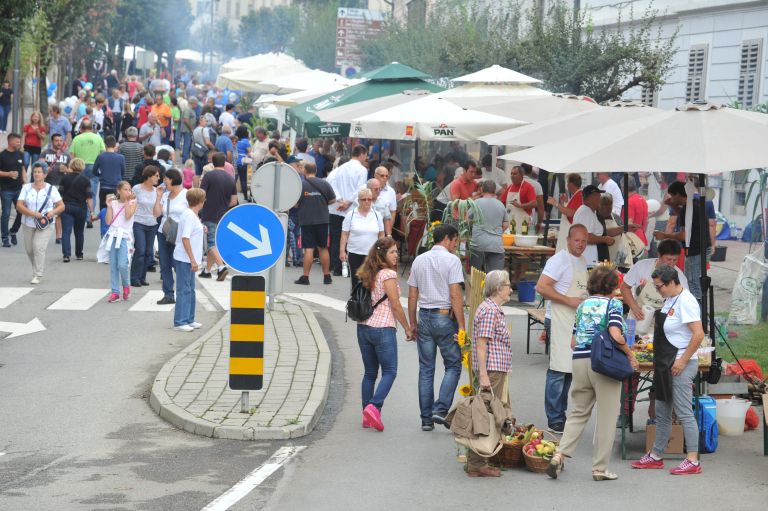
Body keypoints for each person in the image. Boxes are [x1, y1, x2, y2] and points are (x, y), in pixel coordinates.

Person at [546, 266, 638, 481]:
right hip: (604, 363)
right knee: (607, 416)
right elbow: (615, 334)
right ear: (612, 286)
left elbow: (573, 341)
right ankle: (600, 468)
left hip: (580, 360)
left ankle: (559, 455)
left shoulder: (582, 306)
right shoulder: (613, 305)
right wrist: (629, 354)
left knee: (578, 412)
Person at [631, 264, 705, 475]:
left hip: (680, 363)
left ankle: (693, 460)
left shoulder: (687, 300)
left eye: (659, 286)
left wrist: (682, 360)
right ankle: (656, 455)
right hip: (665, 363)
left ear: (672, 282)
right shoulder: (670, 298)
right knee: (662, 411)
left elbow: (698, 334)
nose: (657, 290)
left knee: (683, 412)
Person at [407, 224, 465, 431]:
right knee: (453, 365)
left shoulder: (419, 260)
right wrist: (461, 325)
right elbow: (455, 294)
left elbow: (412, 295)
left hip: (424, 316)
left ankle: (426, 419)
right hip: (444, 316)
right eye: (455, 241)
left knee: (426, 368)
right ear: (447, 239)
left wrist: (412, 323)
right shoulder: (452, 260)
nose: (455, 245)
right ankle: (440, 409)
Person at [355, 237, 413, 432]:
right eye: (392, 252)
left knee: (370, 373)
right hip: (382, 328)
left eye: (397, 251)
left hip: (363, 327)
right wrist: (407, 327)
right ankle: (374, 406)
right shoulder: (388, 274)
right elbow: (395, 305)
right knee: (390, 371)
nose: (397, 255)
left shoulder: (368, 271)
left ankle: (366, 416)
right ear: (382, 254)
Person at [535, 224, 589, 433]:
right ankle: (554, 417)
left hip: (574, 321)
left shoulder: (582, 260)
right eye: (577, 240)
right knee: (558, 369)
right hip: (558, 319)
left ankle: (561, 413)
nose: (580, 245)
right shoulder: (559, 260)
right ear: (568, 240)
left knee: (569, 369)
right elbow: (541, 287)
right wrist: (568, 300)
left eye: (584, 241)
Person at [466, 269, 515, 477]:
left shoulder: (492, 309)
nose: (511, 289)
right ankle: (477, 463)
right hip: (492, 370)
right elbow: (481, 344)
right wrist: (484, 374)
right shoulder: (490, 311)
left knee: (494, 412)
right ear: (498, 288)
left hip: (496, 369)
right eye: (508, 286)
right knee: (486, 414)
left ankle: (482, 458)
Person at [653, 181, 712, 301]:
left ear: (678, 194)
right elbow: (685, 217)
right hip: (702, 248)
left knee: (693, 282)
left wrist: (664, 235)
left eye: (672, 196)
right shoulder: (692, 204)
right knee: (694, 280)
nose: (671, 198)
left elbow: (684, 235)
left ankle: (697, 307)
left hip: (696, 250)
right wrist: (672, 205)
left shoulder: (688, 208)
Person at [15, 162, 65, 284]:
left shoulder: (51, 189)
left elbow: (61, 206)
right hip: (28, 223)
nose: (36, 174)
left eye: (39, 172)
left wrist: (52, 212)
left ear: (45, 174)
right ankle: (36, 268)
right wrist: (32, 214)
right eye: (35, 172)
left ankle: (37, 274)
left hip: (45, 223)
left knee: (38, 247)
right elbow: (19, 205)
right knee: (29, 249)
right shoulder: (26, 188)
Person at [327, 144, 369, 276]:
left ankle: (337, 268)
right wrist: (348, 202)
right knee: (350, 239)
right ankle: (350, 268)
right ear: (362, 154)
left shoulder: (340, 168)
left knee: (336, 239)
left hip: (338, 208)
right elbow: (360, 189)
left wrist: (341, 200)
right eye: (365, 155)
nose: (366, 158)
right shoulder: (362, 170)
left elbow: (333, 185)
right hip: (351, 209)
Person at [295, 163, 336, 286]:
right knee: (323, 248)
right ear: (316, 171)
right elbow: (333, 199)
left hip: (306, 220)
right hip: (323, 220)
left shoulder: (301, 185)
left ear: (305, 171)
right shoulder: (324, 183)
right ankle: (327, 276)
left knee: (309, 249)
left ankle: (305, 277)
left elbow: (295, 204)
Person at [173, 188, 207, 332]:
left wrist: (201, 228)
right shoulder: (189, 216)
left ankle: (189, 319)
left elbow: (191, 233)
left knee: (190, 289)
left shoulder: (192, 215)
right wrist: (193, 260)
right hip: (184, 258)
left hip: (188, 258)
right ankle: (180, 322)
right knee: (184, 290)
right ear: (200, 201)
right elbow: (185, 238)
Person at [199, 152, 237, 281]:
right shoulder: (231, 179)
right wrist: (224, 205)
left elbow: (201, 195)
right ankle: (207, 270)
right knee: (214, 243)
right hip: (224, 215)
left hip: (209, 213)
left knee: (210, 243)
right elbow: (234, 201)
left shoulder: (209, 176)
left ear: (212, 162)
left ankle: (221, 267)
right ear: (224, 163)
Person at [154, 169, 188, 305]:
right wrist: (158, 197)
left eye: (166, 179)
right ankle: (168, 294)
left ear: (172, 179)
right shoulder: (165, 195)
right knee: (164, 264)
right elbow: (156, 214)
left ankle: (182, 292)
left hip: (180, 234)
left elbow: (193, 214)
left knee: (178, 264)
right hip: (164, 232)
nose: (164, 182)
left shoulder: (186, 195)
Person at [340, 188, 385, 290]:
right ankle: (356, 299)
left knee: (371, 280)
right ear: (359, 201)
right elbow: (344, 234)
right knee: (356, 281)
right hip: (354, 252)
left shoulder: (377, 215)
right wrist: (342, 251)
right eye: (364, 199)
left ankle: (369, 299)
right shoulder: (351, 215)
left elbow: (381, 234)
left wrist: (381, 250)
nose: (367, 202)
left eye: (369, 199)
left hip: (372, 254)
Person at [104, 181, 137, 302]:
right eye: (125, 189)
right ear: (118, 191)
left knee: (122, 264)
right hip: (113, 235)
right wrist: (109, 206)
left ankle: (126, 285)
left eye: (129, 190)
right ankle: (115, 292)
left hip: (125, 237)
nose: (128, 192)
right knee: (113, 266)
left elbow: (128, 215)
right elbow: (108, 221)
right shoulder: (113, 203)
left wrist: (127, 201)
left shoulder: (133, 202)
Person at [69, 119, 105, 223]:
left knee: (79, 193)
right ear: (92, 128)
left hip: (80, 167)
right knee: (92, 193)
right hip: (94, 167)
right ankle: (89, 217)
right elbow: (103, 152)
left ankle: (80, 216)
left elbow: (71, 154)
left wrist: (74, 165)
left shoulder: (77, 138)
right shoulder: (98, 138)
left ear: (81, 128)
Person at [131, 166, 161, 287]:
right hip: (138, 222)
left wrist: (159, 197)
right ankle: (134, 278)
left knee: (148, 252)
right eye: (156, 176)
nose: (158, 178)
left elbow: (157, 212)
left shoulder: (157, 191)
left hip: (152, 224)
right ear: (149, 176)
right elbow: (131, 203)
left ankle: (142, 277)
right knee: (140, 250)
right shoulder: (137, 188)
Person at [58, 158, 93, 262]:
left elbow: (59, 194)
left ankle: (66, 255)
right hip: (81, 208)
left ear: (71, 166)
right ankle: (79, 254)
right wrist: (91, 212)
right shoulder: (86, 180)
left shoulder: (64, 178)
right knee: (79, 232)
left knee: (66, 231)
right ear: (82, 167)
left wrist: (57, 208)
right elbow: (89, 197)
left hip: (67, 207)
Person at [469, 180, 509, 272]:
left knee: (476, 275)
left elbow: (466, 219)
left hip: (478, 244)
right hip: (496, 245)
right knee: (495, 276)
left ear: (482, 189)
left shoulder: (476, 203)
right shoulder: (500, 205)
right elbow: (505, 224)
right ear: (494, 190)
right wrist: (497, 232)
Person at [573, 185, 615, 266]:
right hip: (586, 260)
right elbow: (586, 237)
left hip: (590, 259)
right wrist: (605, 239)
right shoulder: (585, 212)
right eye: (598, 195)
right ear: (591, 197)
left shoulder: (590, 212)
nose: (600, 198)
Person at [0, 133, 26, 247]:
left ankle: (13, 231)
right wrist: (8, 174)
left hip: (19, 189)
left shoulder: (20, 154)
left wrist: (25, 183)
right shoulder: (2, 155)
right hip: (5, 190)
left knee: (22, 212)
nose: (19, 143)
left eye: (20, 142)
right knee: (6, 214)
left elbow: (23, 168)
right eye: (18, 141)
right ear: (10, 141)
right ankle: (5, 238)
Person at [92, 136, 126, 209]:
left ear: (105, 145)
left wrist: (100, 175)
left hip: (104, 186)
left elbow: (94, 171)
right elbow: (123, 172)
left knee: (103, 208)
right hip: (116, 186)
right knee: (115, 208)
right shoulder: (121, 157)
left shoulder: (100, 157)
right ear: (115, 145)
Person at [500, 165, 536, 233]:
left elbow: (534, 203)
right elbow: (502, 202)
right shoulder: (510, 187)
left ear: (521, 175)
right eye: (511, 174)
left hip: (523, 222)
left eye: (515, 174)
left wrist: (520, 205)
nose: (512, 176)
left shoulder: (528, 187)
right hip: (510, 221)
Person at [191, 114, 215, 186]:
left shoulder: (195, 130)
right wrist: (214, 148)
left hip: (196, 153)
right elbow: (207, 142)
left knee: (197, 173)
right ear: (200, 121)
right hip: (204, 153)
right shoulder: (204, 130)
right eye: (205, 121)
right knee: (206, 172)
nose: (206, 122)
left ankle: (196, 190)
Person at [234, 126, 251, 201]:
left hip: (236, 161)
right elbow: (250, 152)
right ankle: (247, 196)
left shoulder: (236, 140)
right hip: (244, 161)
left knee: (239, 179)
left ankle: (239, 196)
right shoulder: (246, 141)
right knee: (245, 180)